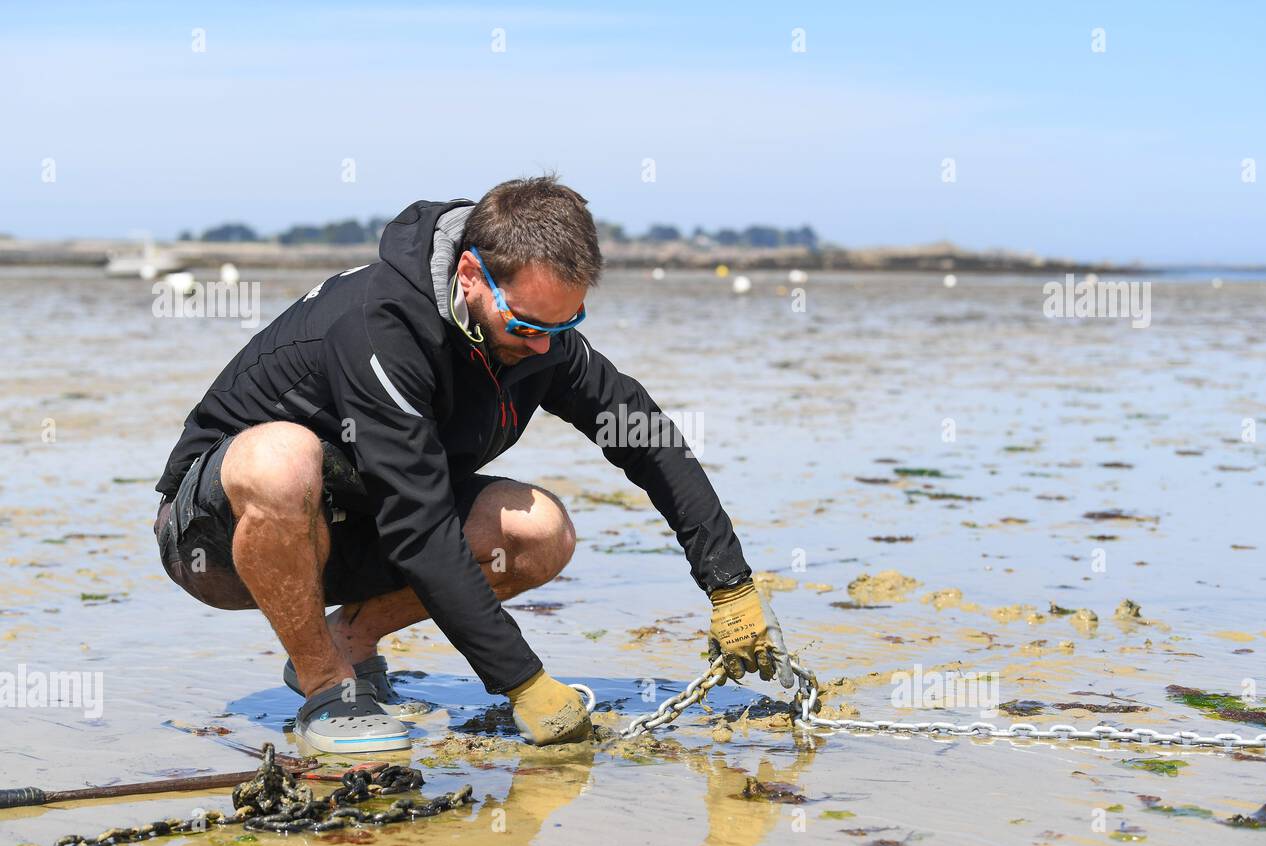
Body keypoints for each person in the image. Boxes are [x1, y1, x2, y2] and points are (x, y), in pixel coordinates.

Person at [152, 175, 790, 754]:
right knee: (281, 460)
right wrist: (524, 683)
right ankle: (325, 686)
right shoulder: (381, 329)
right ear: (469, 276)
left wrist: (729, 584)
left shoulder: (542, 337)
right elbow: (420, 531)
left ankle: (343, 642)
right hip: (215, 540)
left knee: (540, 531)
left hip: (356, 523)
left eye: (564, 326)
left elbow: (645, 436)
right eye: (526, 326)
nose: (544, 347)